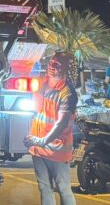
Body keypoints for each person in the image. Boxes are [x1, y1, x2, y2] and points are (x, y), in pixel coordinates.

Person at [24, 52, 78, 205]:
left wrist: (41, 141)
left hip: (57, 150)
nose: (52, 65)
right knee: (44, 188)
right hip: (38, 147)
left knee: (63, 188)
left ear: (66, 69)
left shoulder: (68, 94)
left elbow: (61, 124)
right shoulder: (41, 83)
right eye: (52, 62)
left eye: (58, 64)